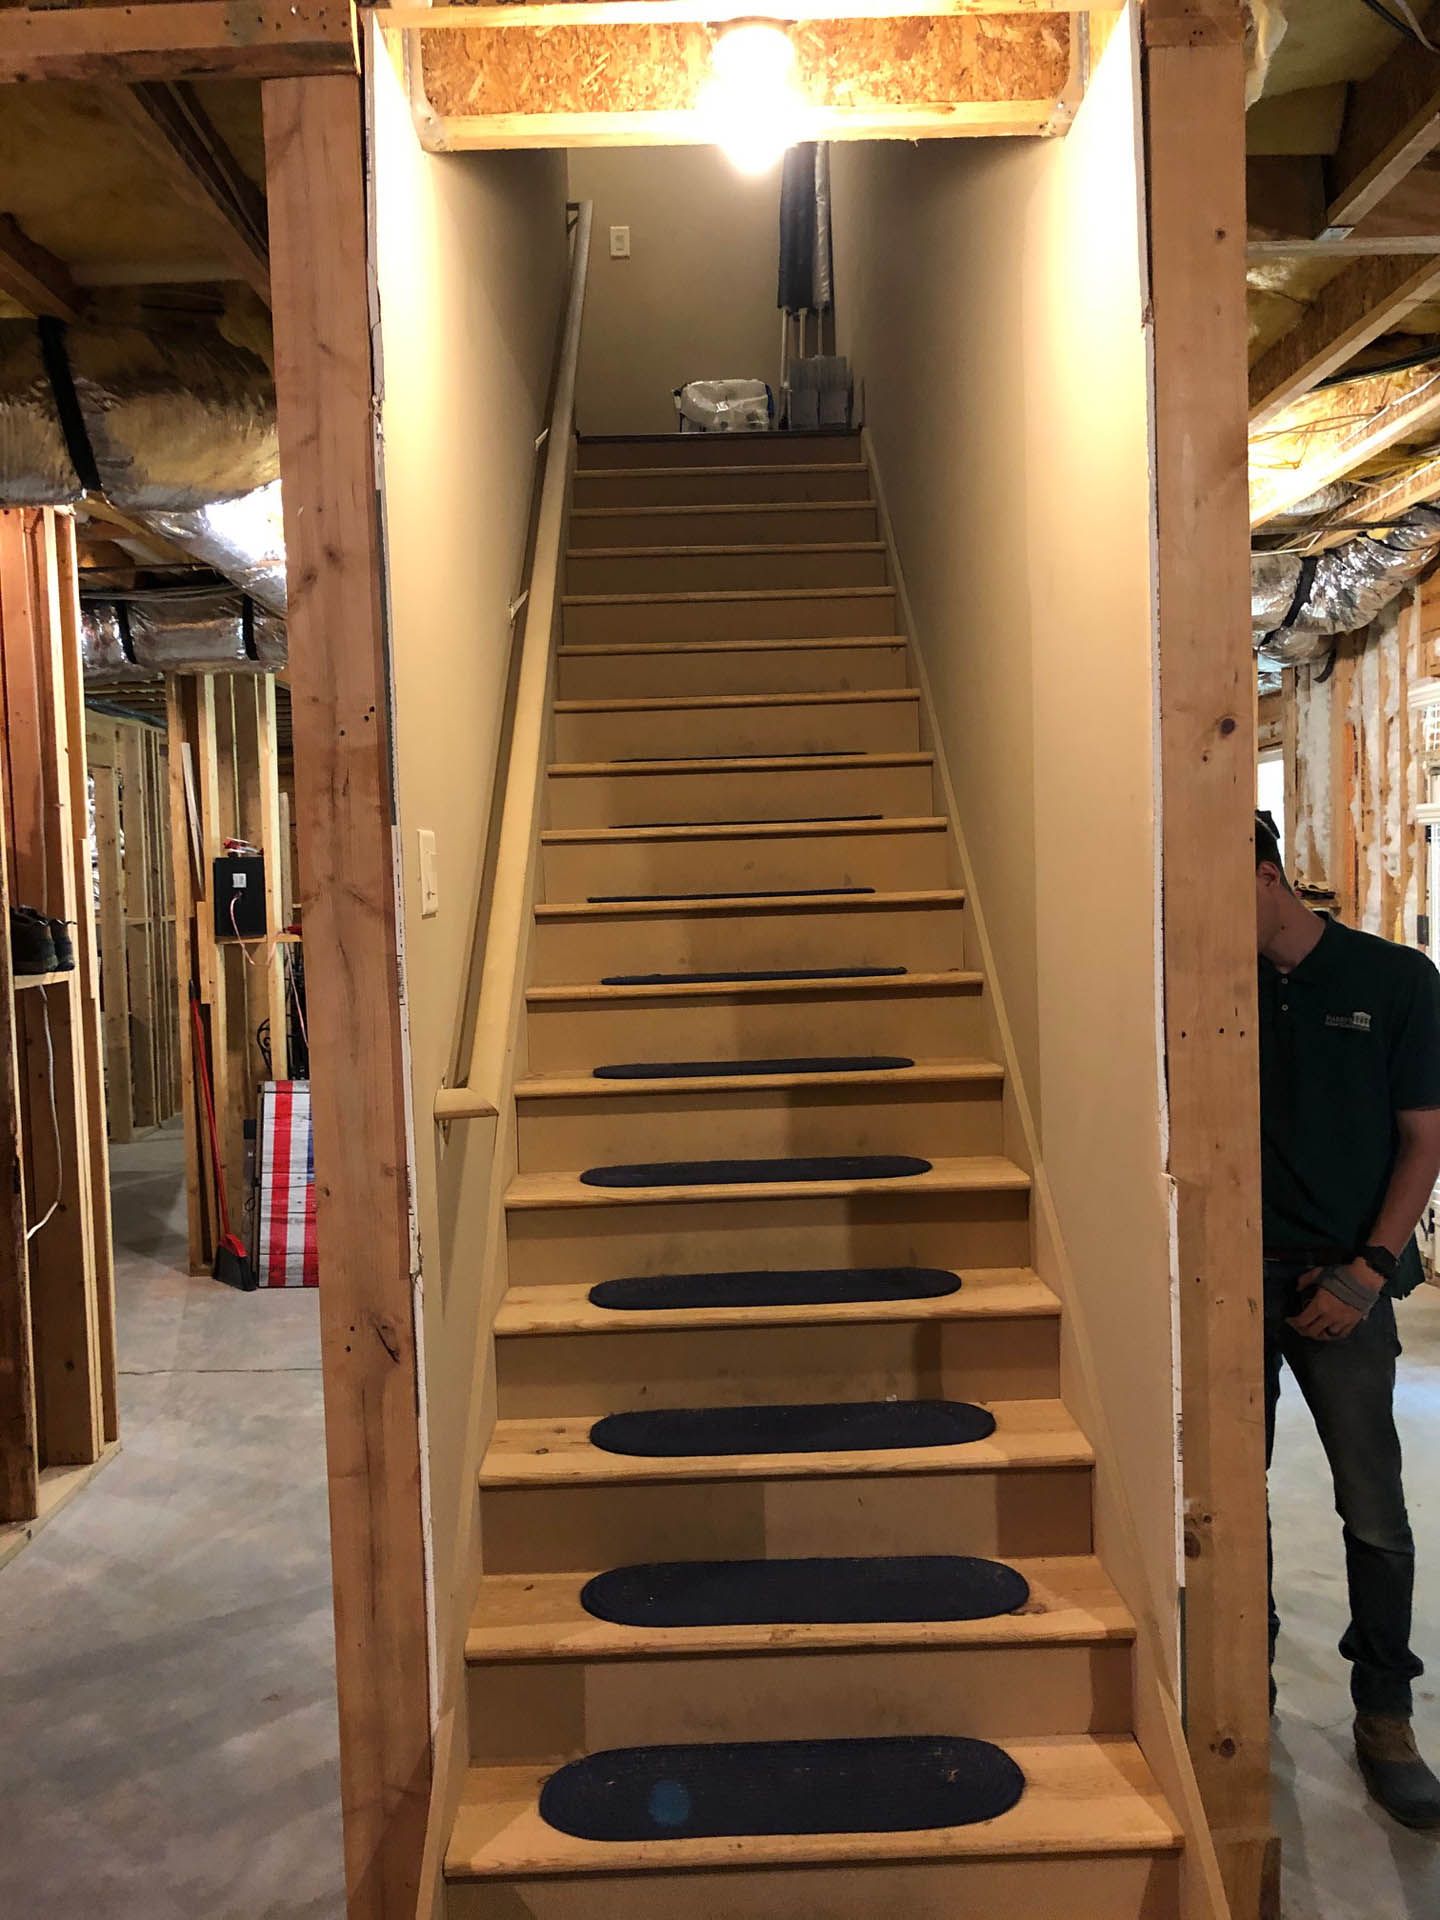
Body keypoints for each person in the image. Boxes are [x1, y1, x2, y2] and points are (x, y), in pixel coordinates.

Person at [1257, 809, 1440, 1829]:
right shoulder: (1203, 987)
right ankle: (1249, 1696)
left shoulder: (1394, 980)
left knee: (1373, 1511)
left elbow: (1425, 1139)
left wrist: (1368, 1272)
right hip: (1227, 1280)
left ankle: (1385, 1716)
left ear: (1272, 875)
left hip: (1347, 1281)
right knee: (1231, 1507)